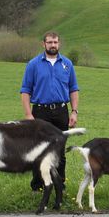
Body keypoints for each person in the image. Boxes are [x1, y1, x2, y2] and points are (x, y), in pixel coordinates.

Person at [20, 31, 79, 191]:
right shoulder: (33, 64)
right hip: (40, 112)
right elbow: (25, 90)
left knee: (60, 150)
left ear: (59, 44)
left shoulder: (67, 64)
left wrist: (74, 111)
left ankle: (60, 184)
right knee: (39, 150)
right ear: (43, 44)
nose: (53, 45)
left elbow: (73, 89)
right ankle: (38, 186)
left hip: (61, 111)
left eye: (55, 42)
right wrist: (28, 114)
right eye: (50, 42)